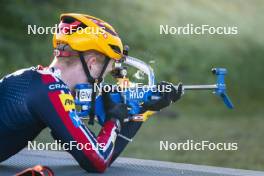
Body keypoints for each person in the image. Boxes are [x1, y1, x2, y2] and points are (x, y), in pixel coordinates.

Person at [0, 13, 182, 173]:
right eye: (105, 73)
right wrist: (114, 120)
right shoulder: (51, 90)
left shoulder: (40, 82)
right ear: (92, 63)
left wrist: (140, 112)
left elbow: (97, 155)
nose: (101, 81)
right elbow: (97, 161)